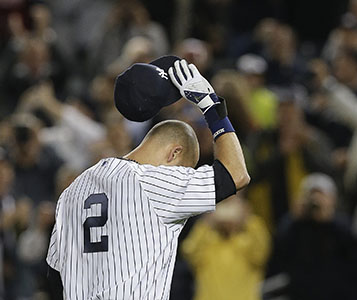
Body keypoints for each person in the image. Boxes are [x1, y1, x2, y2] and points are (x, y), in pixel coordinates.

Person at [46, 59, 250, 299]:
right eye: (184, 169)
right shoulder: (154, 182)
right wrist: (210, 105)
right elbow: (237, 174)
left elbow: (54, 274)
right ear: (174, 153)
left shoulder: (73, 189)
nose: (181, 176)